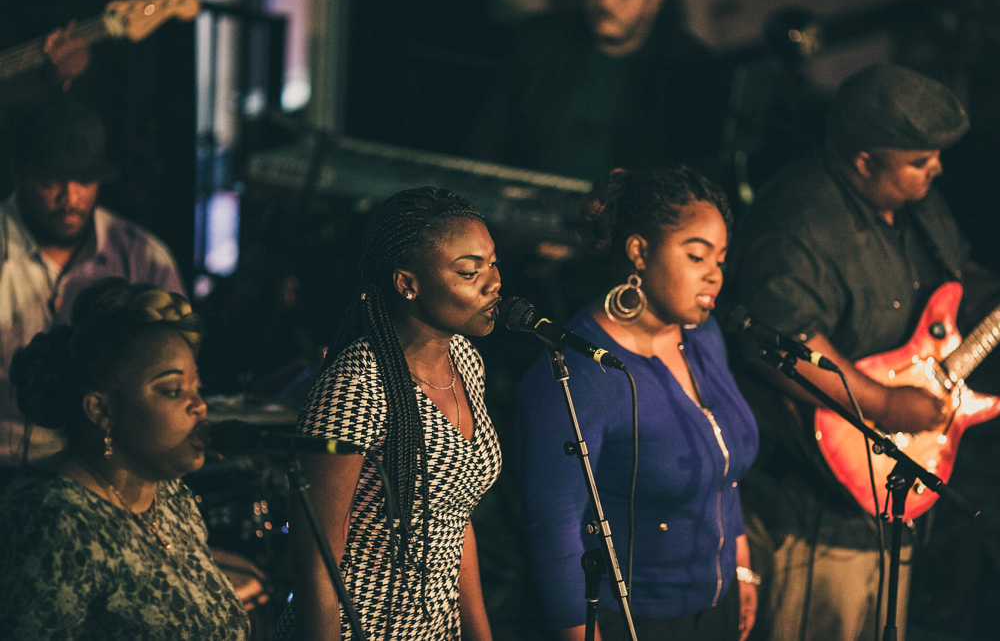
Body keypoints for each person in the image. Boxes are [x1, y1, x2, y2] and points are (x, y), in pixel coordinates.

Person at [726, 63, 1000, 640]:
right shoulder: (797, 222)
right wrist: (884, 404)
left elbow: (955, 283)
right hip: (808, 511)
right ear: (864, 161)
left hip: (888, 504)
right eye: (920, 161)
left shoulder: (918, 206)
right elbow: (784, 345)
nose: (937, 169)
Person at [515, 167, 760, 640]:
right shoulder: (577, 371)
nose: (715, 275)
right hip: (630, 619)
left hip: (717, 606)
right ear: (639, 252)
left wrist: (741, 569)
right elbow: (555, 526)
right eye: (696, 256)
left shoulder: (704, 336)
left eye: (721, 260)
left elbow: (723, 471)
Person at [275, 186, 503, 640]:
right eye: (469, 271)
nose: (493, 282)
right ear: (407, 283)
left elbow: (454, 517)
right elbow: (316, 559)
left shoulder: (465, 360)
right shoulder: (358, 384)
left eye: (493, 264)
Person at [0, 277, 249, 639]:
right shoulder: (54, 522)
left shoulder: (169, 496)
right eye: (172, 390)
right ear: (101, 409)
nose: (199, 405)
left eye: (198, 387)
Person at [0, 97, 185, 475]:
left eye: (84, 180)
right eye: (50, 181)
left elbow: (177, 375)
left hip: (109, 476)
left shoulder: (144, 257)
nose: (70, 198)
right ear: (19, 174)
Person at [470, 0, 729, 182]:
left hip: (625, 213)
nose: (604, 1)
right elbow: (490, 130)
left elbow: (693, 165)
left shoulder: (687, 64)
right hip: (528, 192)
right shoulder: (540, 38)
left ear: (654, 1)